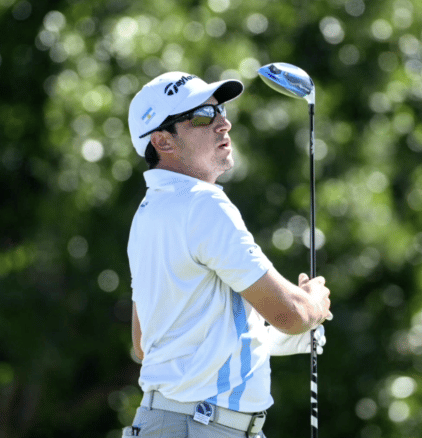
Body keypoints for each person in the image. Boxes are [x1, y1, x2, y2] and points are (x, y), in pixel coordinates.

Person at [124, 71, 332, 438]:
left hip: (175, 422)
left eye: (219, 110)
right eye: (203, 116)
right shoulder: (203, 204)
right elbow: (292, 313)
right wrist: (314, 304)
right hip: (200, 426)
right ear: (162, 141)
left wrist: (267, 340)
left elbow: (146, 344)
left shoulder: (147, 213)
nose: (224, 123)